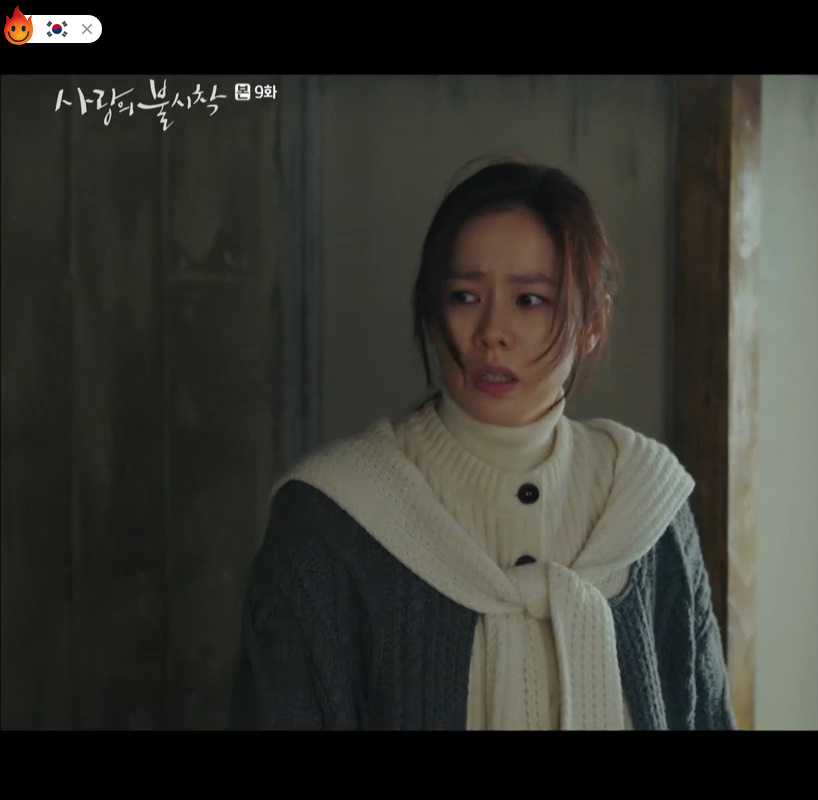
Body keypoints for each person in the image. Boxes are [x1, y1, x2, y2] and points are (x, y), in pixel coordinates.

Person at [228, 157, 736, 730]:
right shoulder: (332, 519)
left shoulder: (648, 505)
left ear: (593, 322)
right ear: (431, 312)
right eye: (464, 296)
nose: (493, 331)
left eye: (530, 300)